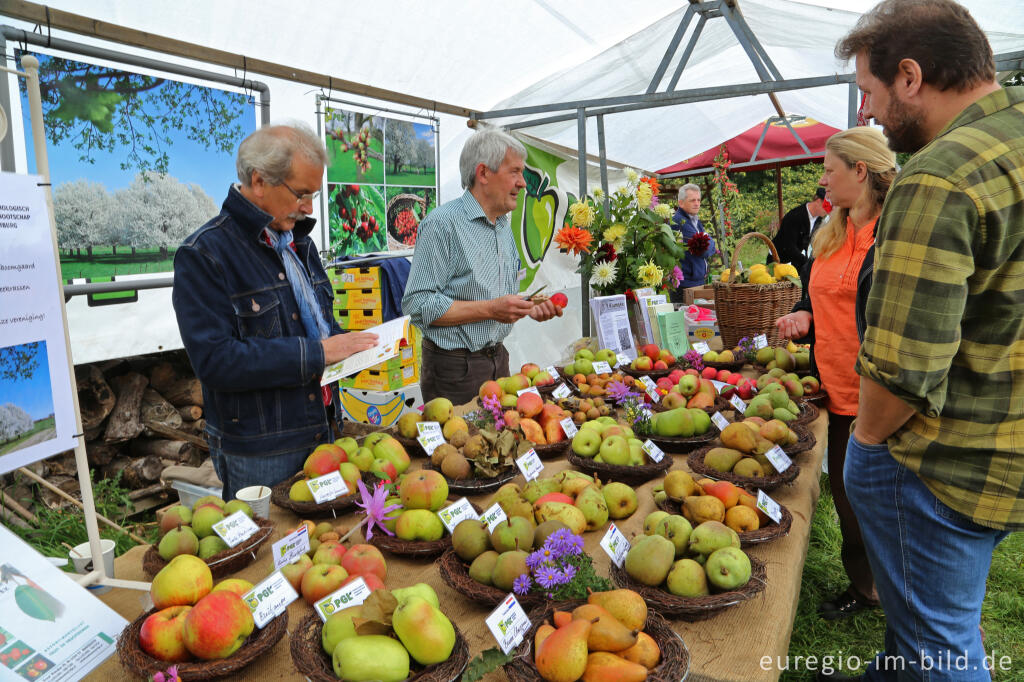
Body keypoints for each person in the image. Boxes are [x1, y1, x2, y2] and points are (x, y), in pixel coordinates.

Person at [822, 1, 1024, 680]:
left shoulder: (939, 175)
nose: (868, 114)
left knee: (940, 648)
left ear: (910, 76)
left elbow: (904, 369)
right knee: (921, 632)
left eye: (870, 93)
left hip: (943, 462)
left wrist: (869, 448)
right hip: (1006, 440)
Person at [172, 123, 379, 501]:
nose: (308, 208)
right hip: (262, 450)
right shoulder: (205, 254)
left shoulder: (299, 244)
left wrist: (354, 348)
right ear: (259, 181)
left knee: (322, 551)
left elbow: (320, 328)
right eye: (301, 193)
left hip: (322, 431)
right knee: (271, 556)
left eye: (313, 195)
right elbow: (216, 360)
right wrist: (320, 353)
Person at [774, 127, 896, 624]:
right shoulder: (832, 231)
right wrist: (805, 316)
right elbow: (819, 298)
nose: (822, 180)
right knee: (850, 498)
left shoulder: (893, 234)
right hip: (835, 391)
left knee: (886, 505)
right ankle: (866, 587)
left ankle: (902, 597)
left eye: (830, 170)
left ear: (860, 171)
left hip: (883, 398)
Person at [402, 129, 560, 405]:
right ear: (484, 173)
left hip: (498, 361)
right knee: (463, 446)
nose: (522, 183)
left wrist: (529, 305)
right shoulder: (442, 224)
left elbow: (494, 294)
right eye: (515, 172)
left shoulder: (501, 226)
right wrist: (490, 310)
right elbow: (418, 304)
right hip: (454, 370)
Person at [670, 183, 717, 300]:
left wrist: (708, 240)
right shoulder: (679, 222)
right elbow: (705, 251)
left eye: (698, 200)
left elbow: (709, 244)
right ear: (681, 203)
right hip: (685, 285)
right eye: (692, 200)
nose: (697, 204)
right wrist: (709, 239)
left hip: (696, 281)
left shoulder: (694, 220)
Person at [770, 187, 828, 272]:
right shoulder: (794, 216)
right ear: (818, 201)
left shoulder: (819, 219)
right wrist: (808, 263)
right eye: (827, 206)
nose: (828, 210)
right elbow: (789, 246)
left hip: (797, 262)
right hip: (779, 262)